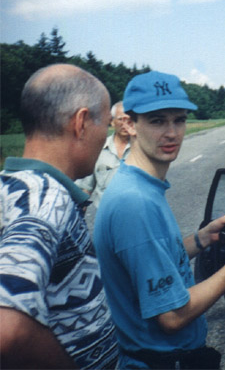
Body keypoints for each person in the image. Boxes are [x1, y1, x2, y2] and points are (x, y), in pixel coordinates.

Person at [94, 70, 225, 369]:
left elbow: (152, 260)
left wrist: (203, 238)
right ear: (129, 124)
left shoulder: (141, 185)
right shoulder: (135, 202)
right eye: (157, 121)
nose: (172, 133)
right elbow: (172, 317)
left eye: (179, 120)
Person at [0, 64, 118, 368]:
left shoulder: (11, 186)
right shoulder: (46, 199)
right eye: (106, 124)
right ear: (81, 123)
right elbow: (7, 330)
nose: (106, 137)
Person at [76, 100, 131, 232]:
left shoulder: (143, 149)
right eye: (121, 119)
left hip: (136, 218)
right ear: (112, 122)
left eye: (129, 120)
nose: (125, 124)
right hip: (105, 220)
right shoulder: (98, 150)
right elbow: (85, 188)